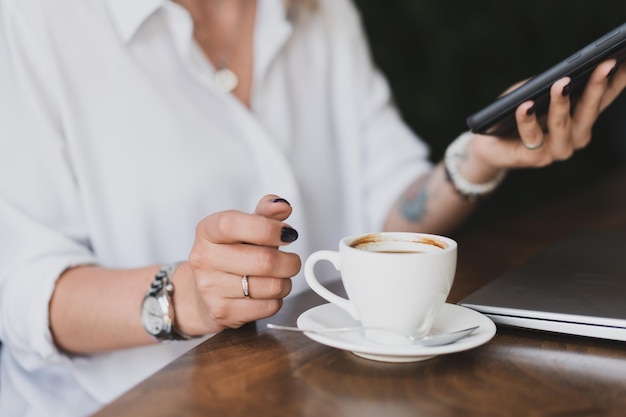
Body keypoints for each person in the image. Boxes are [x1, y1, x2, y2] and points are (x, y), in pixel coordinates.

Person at [0, 0, 624, 416]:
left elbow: (387, 219)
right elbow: (23, 294)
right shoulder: (34, 22)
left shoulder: (321, 11)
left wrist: (478, 160)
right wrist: (185, 298)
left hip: (311, 394)